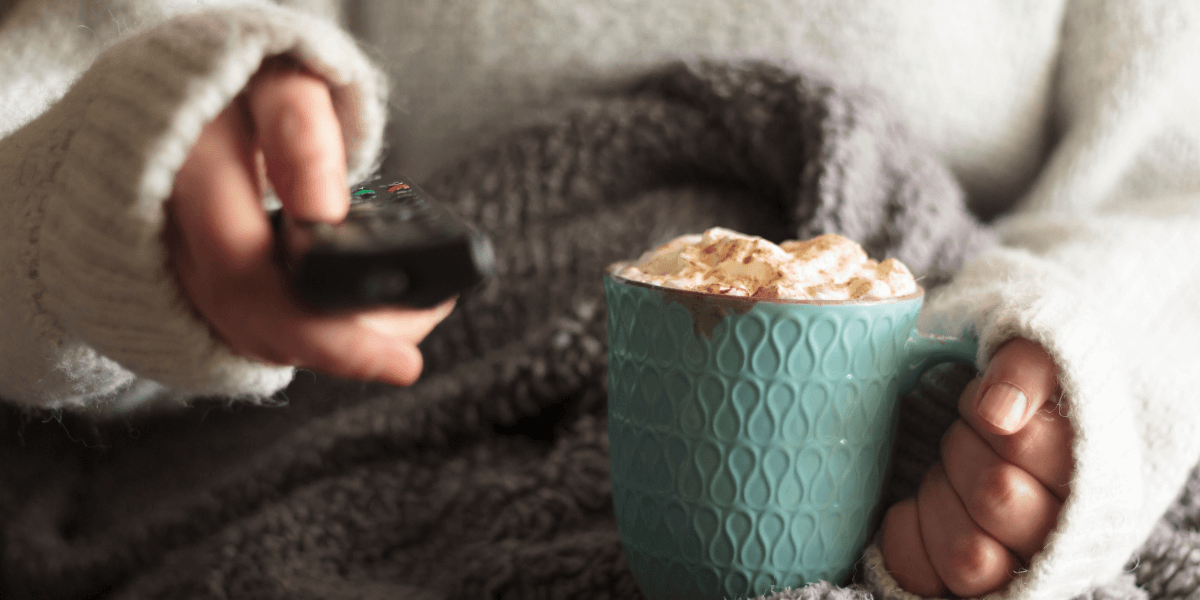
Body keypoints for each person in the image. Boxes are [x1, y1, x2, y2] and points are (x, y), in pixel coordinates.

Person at [0, 1, 1197, 600]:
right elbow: (71, 95)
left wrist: (1061, 382)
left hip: (926, 387)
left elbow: (1173, 199)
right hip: (373, 403)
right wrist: (132, 189)